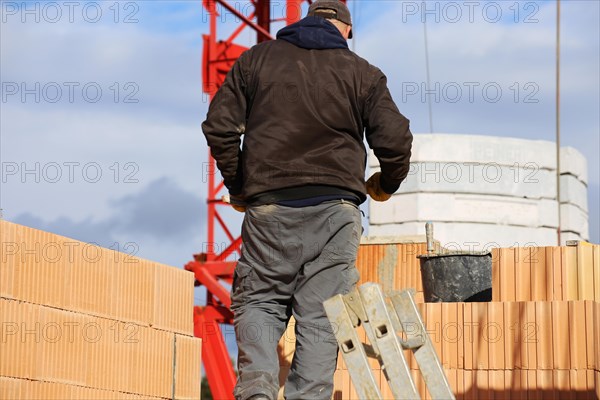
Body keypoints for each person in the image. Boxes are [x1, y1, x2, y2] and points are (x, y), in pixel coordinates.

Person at [202, 1, 412, 399]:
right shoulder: (362, 73)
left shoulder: (256, 60)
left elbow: (219, 128)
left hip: (269, 210)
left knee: (260, 302)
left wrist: (239, 184)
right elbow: (396, 141)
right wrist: (386, 183)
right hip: (335, 213)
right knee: (320, 316)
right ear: (345, 30)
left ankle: (257, 393)